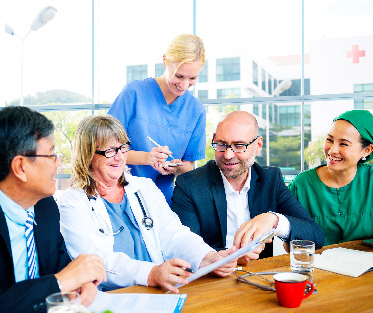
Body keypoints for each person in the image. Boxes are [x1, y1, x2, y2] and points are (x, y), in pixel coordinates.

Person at [59, 115, 238, 294]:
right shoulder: (72, 202)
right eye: (109, 151)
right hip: (110, 297)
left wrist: (207, 257)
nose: (120, 157)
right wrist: (151, 274)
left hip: (158, 290)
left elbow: (174, 235)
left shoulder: (144, 188)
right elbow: (96, 262)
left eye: (123, 148)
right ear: (87, 154)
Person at [0, 106, 106, 313]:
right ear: (20, 166)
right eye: (52, 154)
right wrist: (62, 281)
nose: (59, 164)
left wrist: (81, 282)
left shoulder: (45, 207)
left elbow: (61, 266)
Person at [171, 111, 325, 263]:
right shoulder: (189, 184)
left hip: (259, 278)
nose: (228, 155)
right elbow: (184, 247)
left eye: (239, 146)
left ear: (258, 146)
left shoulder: (270, 180)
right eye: (222, 144)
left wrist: (274, 220)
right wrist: (233, 257)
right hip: (210, 280)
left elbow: (315, 236)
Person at [108, 34, 207, 205]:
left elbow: (188, 166)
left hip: (161, 202)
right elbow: (105, 150)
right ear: (165, 61)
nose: (184, 85)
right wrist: (148, 158)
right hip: (121, 196)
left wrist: (175, 166)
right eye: (179, 76)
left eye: (192, 78)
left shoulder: (196, 110)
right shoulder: (134, 93)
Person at [289, 110, 373, 245]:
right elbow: (290, 244)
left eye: (344, 144)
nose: (332, 150)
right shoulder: (301, 185)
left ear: (367, 150)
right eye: (329, 140)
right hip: (317, 265)